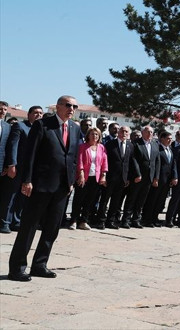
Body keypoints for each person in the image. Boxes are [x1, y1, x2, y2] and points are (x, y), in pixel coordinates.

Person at [8, 96, 82, 281]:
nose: (71, 109)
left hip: (62, 187)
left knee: (52, 228)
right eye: (68, 105)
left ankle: (40, 265)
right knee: (29, 227)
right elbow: (30, 154)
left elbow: (72, 157)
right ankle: (17, 268)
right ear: (58, 106)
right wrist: (27, 180)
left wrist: (71, 180)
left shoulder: (75, 128)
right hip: (40, 185)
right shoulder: (43, 125)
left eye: (74, 106)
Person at [0, 106, 43, 234]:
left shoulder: (40, 129)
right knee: (10, 195)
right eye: (35, 113)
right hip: (17, 167)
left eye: (41, 113)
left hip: (30, 170)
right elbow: (13, 146)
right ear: (29, 114)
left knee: (23, 196)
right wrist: (11, 165)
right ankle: (4, 222)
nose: (38, 115)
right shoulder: (20, 126)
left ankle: (16, 221)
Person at [99, 125, 135, 230]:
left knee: (116, 201)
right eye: (122, 131)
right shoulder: (110, 144)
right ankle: (101, 221)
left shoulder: (130, 145)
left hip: (122, 179)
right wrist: (103, 175)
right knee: (104, 200)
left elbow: (129, 163)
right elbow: (104, 160)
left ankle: (110, 221)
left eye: (126, 132)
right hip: (110, 177)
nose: (124, 133)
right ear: (118, 132)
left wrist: (127, 178)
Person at [124, 126, 160, 229]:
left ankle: (136, 220)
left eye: (151, 132)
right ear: (142, 132)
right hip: (137, 177)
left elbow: (157, 162)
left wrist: (156, 177)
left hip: (149, 177)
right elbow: (134, 159)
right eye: (147, 132)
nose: (150, 134)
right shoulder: (136, 143)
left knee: (141, 200)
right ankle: (126, 219)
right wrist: (137, 174)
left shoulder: (155, 144)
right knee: (132, 198)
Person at [74, 127, 108, 230]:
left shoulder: (101, 147)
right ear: (88, 135)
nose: (95, 136)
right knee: (79, 199)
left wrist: (103, 175)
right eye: (92, 134)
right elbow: (79, 161)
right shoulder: (82, 146)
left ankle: (84, 221)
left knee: (90, 200)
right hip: (84, 177)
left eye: (97, 134)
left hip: (95, 178)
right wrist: (81, 175)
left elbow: (104, 162)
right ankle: (74, 220)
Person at [144, 131, 175, 227]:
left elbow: (172, 164)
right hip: (158, 179)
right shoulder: (158, 148)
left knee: (160, 201)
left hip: (167, 181)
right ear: (162, 139)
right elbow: (156, 164)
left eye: (171, 139)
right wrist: (156, 178)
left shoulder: (170, 150)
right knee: (153, 199)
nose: (170, 140)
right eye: (168, 138)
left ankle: (155, 218)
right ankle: (148, 219)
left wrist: (174, 177)